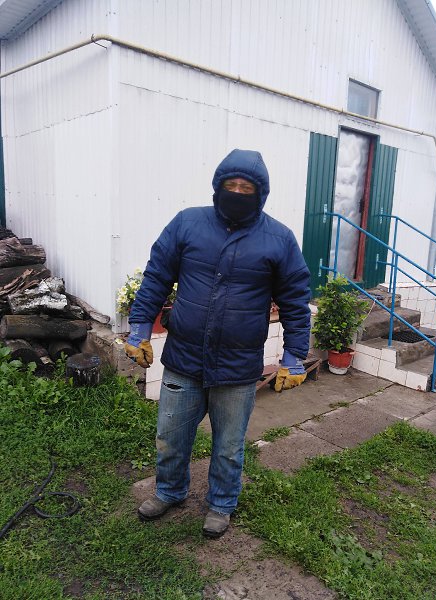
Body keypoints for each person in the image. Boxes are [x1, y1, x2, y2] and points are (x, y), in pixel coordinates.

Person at [124, 149, 311, 538]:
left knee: (228, 446)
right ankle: (169, 491)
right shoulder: (187, 223)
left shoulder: (279, 239)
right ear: (218, 186)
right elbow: (157, 276)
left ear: (260, 193)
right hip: (184, 358)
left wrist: (294, 357)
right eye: (231, 185)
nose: (238, 192)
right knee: (170, 436)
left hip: (237, 367)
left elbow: (295, 302)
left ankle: (221, 504)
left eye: (247, 188)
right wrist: (139, 328)